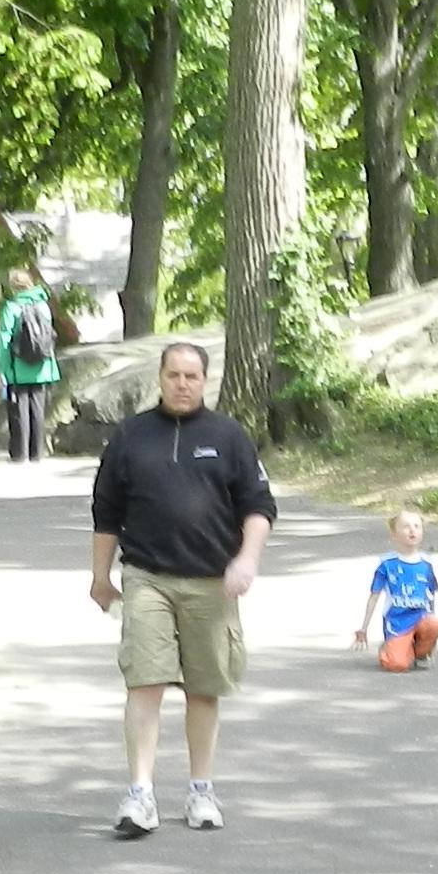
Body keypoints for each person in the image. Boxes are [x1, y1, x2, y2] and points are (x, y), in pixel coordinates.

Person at [88, 341, 272, 836]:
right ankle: (140, 795)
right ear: (161, 378)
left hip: (212, 582)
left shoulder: (229, 436)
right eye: (174, 375)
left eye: (192, 376)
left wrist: (246, 560)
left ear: (204, 380)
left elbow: (258, 507)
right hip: (147, 577)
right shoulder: (130, 436)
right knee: (144, 682)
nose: (183, 384)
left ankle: (200, 790)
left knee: (203, 690)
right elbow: (106, 513)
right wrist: (100, 576)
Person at [352, 509, 438, 671]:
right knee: (397, 665)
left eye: (417, 526)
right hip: (398, 623)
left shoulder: (426, 564)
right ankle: (390, 648)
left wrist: (432, 620)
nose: (412, 530)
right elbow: (374, 596)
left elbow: (431, 595)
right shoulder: (387, 564)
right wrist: (363, 628)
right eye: (406, 526)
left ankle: (421, 652)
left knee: (437, 625)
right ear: (394, 535)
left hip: (420, 618)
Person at [0, 271, 60, 462]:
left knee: (19, 410)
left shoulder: (12, 307)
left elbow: (5, 339)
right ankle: (37, 453)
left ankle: (20, 453)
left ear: (13, 287)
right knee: (38, 410)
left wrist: (2, 368)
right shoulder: (43, 306)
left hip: (18, 367)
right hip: (42, 367)